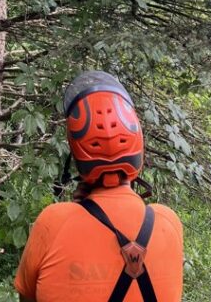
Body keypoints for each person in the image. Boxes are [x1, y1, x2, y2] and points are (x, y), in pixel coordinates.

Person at [15, 71, 183, 302]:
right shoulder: (168, 223)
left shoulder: (53, 223)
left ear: (77, 153)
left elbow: (27, 298)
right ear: (137, 145)